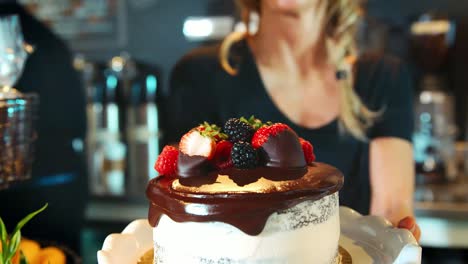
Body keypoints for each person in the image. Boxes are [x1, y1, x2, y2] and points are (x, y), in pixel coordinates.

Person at [162, 0, 421, 240]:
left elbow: (389, 210)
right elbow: (181, 201)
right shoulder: (199, 74)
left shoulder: (382, 77)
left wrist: (395, 237)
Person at [0, 1, 87, 252]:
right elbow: (77, 124)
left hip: (22, 193)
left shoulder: (12, 40)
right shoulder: (45, 37)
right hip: (63, 184)